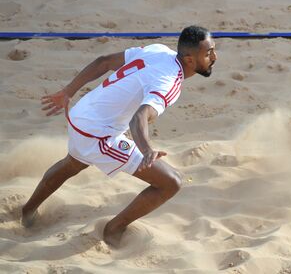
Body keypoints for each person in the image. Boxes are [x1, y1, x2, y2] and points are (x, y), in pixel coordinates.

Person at [21, 25, 217, 246]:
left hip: (80, 115)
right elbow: (139, 118)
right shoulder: (170, 82)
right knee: (171, 182)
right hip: (98, 133)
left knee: (73, 163)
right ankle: (113, 230)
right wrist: (147, 150)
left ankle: (27, 212)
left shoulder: (159, 50)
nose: (214, 56)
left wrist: (68, 91)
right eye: (208, 52)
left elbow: (103, 61)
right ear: (190, 59)